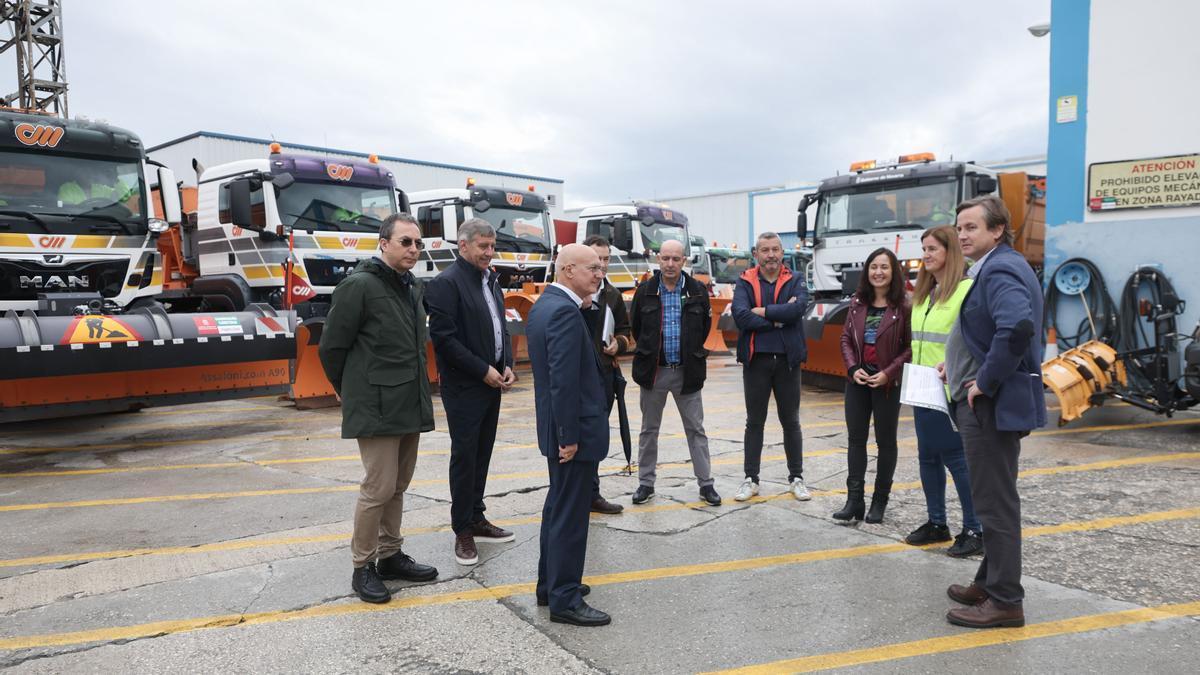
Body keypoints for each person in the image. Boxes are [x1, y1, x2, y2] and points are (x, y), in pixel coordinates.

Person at [318, 213, 439, 604]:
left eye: (418, 244)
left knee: (398, 487)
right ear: (383, 243)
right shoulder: (359, 286)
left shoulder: (412, 287)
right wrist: (345, 389)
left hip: (408, 400)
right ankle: (362, 566)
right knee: (377, 488)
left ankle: (390, 555)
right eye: (406, 242)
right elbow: (332, 346)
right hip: (376, 404)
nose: (413, 250)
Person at [943, 195, 1045, 629]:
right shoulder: (997, 265)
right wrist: (965, 359)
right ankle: (990, 581)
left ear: (997, 229)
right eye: (960, 228)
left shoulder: (1000, 267)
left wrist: (985, 379)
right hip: (992, 403)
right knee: (993, 500)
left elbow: (1017, 326)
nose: (962, 235)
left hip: (992, 406)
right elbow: (991, 329)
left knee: (995, 505)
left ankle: (1005, 600)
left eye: (971, 227)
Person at [424, 218, 518, 566]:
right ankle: (462, 528)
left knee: (482, 454)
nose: (489, 253)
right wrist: (483, 370)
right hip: (466, 386)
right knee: (465, 457)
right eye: (483, 246)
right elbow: (445, 341)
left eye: (492, 246)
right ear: (463, 246)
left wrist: (507, 362)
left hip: (493, 383)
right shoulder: (446, 285)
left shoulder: (491, 281)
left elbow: (501, 328)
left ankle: (477, 516)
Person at [528, 243, 611, 627]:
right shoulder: (562, 311)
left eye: (600, 268)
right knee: (571, 516)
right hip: (571, 432)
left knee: (558, 508)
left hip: (562, 428)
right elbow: (562, 381)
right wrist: (569, 436)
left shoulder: (549, 305)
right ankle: (565, 597)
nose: (599, 274)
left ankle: (552, 585)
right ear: (567, 271)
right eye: (591, 268)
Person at [904, 226, 983, 557]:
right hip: (923, 388)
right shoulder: (926, 294)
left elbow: (977, 340)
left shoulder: (966, 291)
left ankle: (974, 528)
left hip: (949, 390)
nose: (926, 255)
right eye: (924, 248)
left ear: (950, 252)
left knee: (956, 459)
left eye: (933, 248)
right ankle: (937, 523)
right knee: (928, 457)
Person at [629, 239, 720, 506]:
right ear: (658, 259)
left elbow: (704, 327)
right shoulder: (645, 291)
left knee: (696, 430)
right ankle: (646, 483)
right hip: (654, 373)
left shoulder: (697, 291)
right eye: (665, 258)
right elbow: (636, 327)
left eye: (676, 259)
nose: (670, 264)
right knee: (649, 430)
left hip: (686, 372)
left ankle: (706, 484)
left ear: (684, 261)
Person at [833, 247, 911, 524]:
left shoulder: (904, 306)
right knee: (856, 441)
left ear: (894, 272)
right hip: (858, 381)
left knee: (885, 442)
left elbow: (909, 348)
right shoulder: (857, 302)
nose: (878, 272)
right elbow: (845, 339)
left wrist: (888, 374)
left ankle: (879, 502)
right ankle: (854, 500)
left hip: (886, 384)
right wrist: (853, 369)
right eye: (873, 267)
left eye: (884, 267)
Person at [731, 231, 810, 502]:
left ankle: (796, 478)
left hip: (787, 361)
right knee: (754, 422)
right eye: (765, 250)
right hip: (756, 361)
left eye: (775, 249)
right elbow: (741, 316)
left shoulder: (796, 279)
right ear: (756, 254)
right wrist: (779, 318)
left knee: (791, 422)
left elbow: (798, 309)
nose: (771, 255)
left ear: (782, 252)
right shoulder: (744, 281)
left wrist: (762, 311)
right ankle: (751, 479)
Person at [581, 235, 633, 515]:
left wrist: (619, 345)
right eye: (595, 259)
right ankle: (576, 493)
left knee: (597, 435)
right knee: (576, 436)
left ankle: (592, 494)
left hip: (604, 375)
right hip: (578, 377)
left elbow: (626, 332)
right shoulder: (572, 293)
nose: (601, 265)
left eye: (605, 259)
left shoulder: (612, 294)